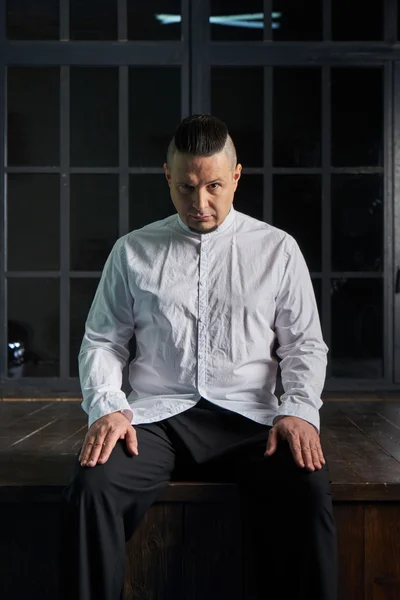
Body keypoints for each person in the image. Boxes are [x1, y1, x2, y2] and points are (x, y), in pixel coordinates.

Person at [62, 114, 337, 600]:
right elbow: (103, 340)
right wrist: (107, 407)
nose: (201, 202)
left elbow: (303, 344)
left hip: (250, 422)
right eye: (186, 187)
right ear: (168, 177)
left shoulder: (278, 250)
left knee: (309, 489)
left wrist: (298, 411)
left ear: (235, 176)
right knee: (93, 487)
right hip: (157, 420)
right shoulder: (132, 251)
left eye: (213, 185)